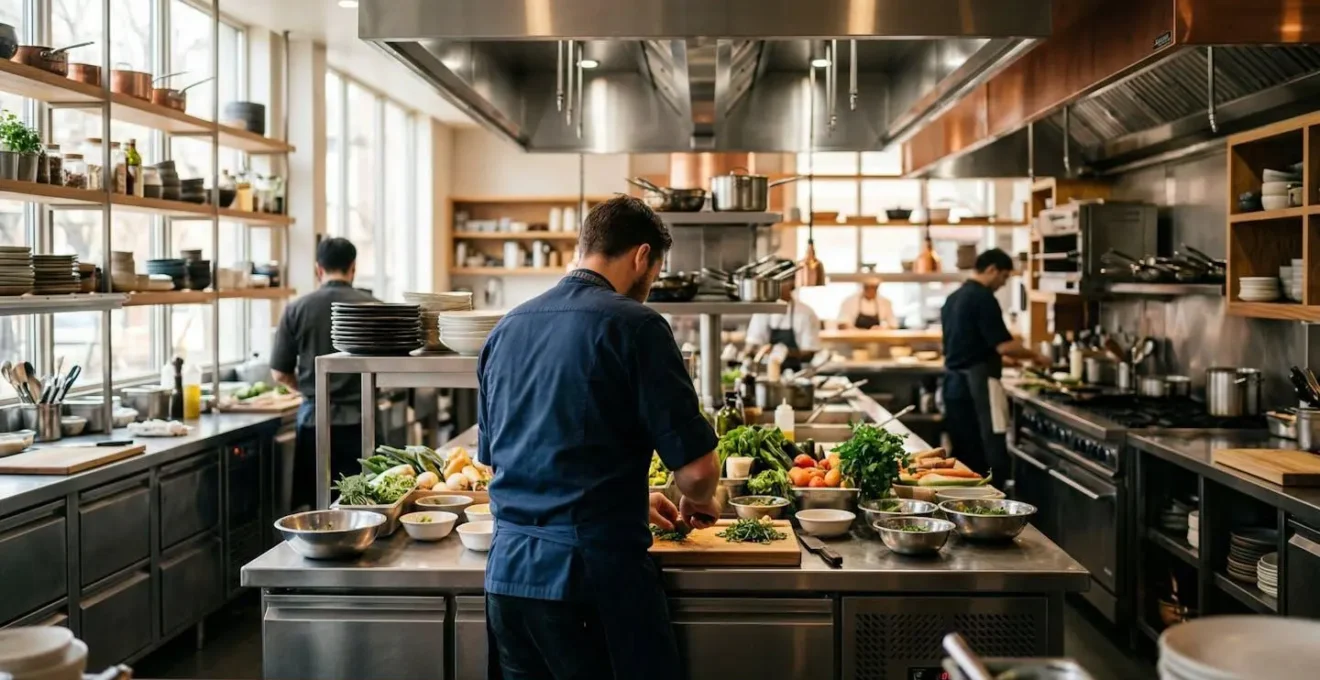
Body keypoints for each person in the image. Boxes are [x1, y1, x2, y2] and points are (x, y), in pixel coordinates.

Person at [478, 195, 723, 680]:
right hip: (590, 584)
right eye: (655, 272)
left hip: (507, 582)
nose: (650, 285)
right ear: (641, 256)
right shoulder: (637, 325)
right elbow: (697, 474)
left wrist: (627, 497)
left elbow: (504, 462)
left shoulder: (506, 328)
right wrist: (701, 498)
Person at [270, 237, 377, 511]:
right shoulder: (375, 307)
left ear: (318, 269)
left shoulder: (297, 308)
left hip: (315, 423)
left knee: (319, 508)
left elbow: (279, 373)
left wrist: (309, 390)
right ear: (353, 267)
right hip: (362, 422)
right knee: (369, 504)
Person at [941, 248, 1051, 482]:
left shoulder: (954, 297)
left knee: (963, 453)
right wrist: (1037, 357)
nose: (1003, 284)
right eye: (1004, 277)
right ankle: (992, 505)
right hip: (977, 386)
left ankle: (964, 508)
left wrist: (1005, 359)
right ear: (991, 269)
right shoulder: (983, 297)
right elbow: (1004, 345)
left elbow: (970, 344)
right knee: (986, 451)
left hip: (953, 385)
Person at [745, 274, 822, 371]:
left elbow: (809, 352)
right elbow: (752, 345)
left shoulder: (806, 312)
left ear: (792, 282)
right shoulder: (762, 310)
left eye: (781, 281)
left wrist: (782, 351)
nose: (775, 285)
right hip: (765, 370)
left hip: (796, 372)